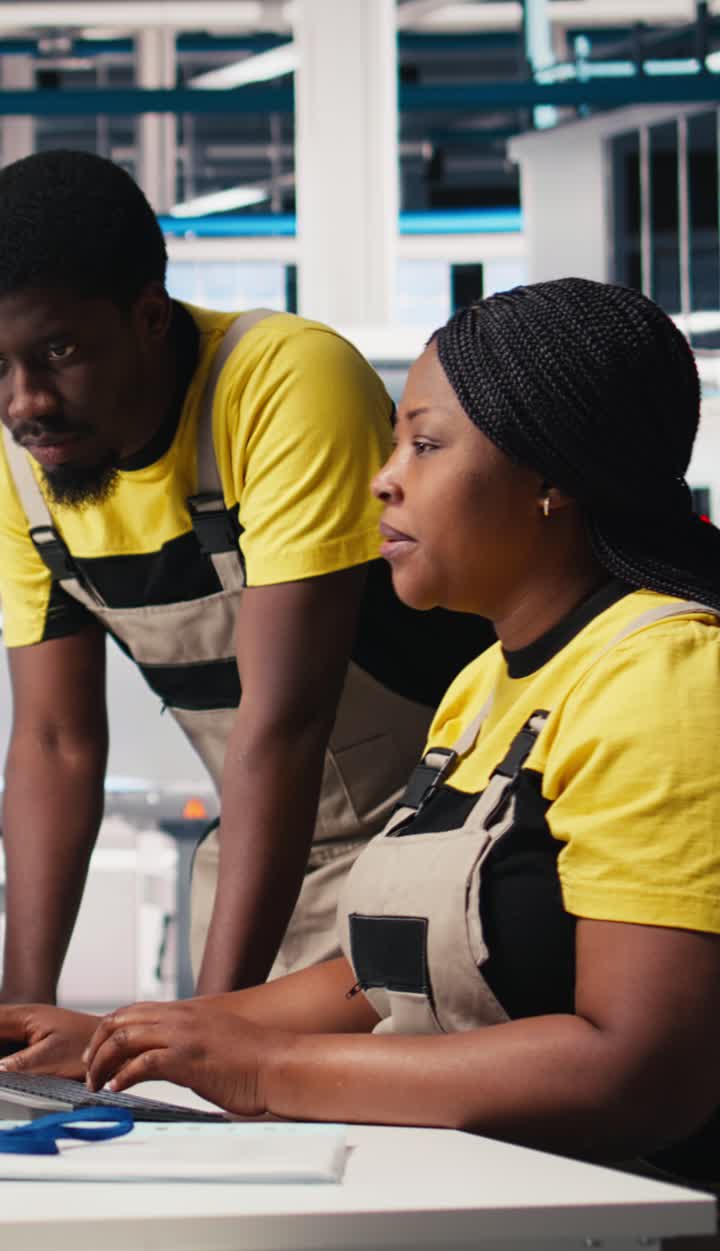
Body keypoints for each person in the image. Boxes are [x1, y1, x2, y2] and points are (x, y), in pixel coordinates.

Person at [3, 277, 720, 1192]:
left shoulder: (663, 677)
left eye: (424, 445)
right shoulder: (484, 685)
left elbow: (642, 1070)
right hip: (494, 1188)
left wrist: (266, 1072)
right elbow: (391, 965)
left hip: (633, 1214)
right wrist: (148, 1035)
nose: (385, 477)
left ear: (552, 480)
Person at [0, 149, 493, 1030]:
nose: (25, 401)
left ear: (149, 316)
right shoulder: (28, 468)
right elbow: (53, 742)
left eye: (60, 350)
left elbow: (285, 721)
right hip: (264, 862)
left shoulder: (279, 380)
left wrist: (207, 1027)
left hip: (436, 849)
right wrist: (18, 1016)